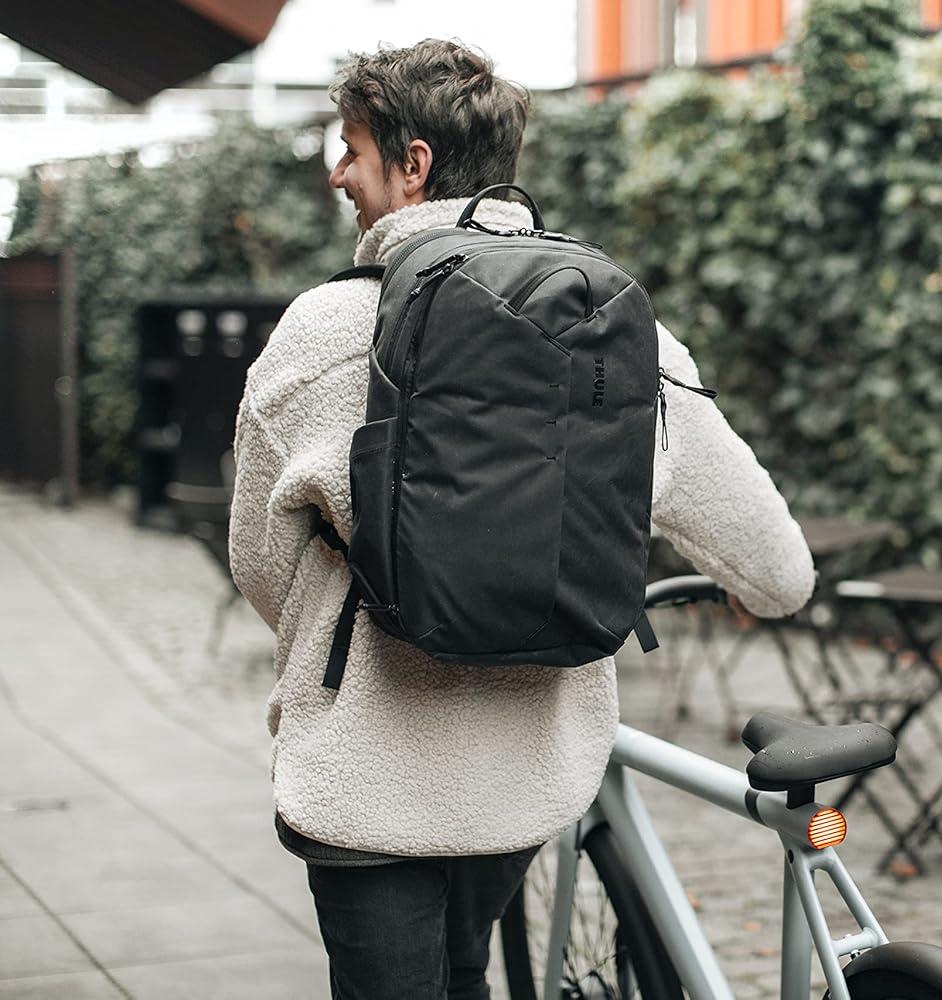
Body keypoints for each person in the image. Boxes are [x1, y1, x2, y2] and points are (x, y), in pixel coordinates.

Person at [228, 38, 815, 1000]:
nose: (337, 173)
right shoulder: (622, 329)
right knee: (467, 972)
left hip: (366, 779)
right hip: (528, 777)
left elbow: (259, 563)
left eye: (351, 149)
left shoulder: (321, 331)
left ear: (413, 165)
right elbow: (780, 573)